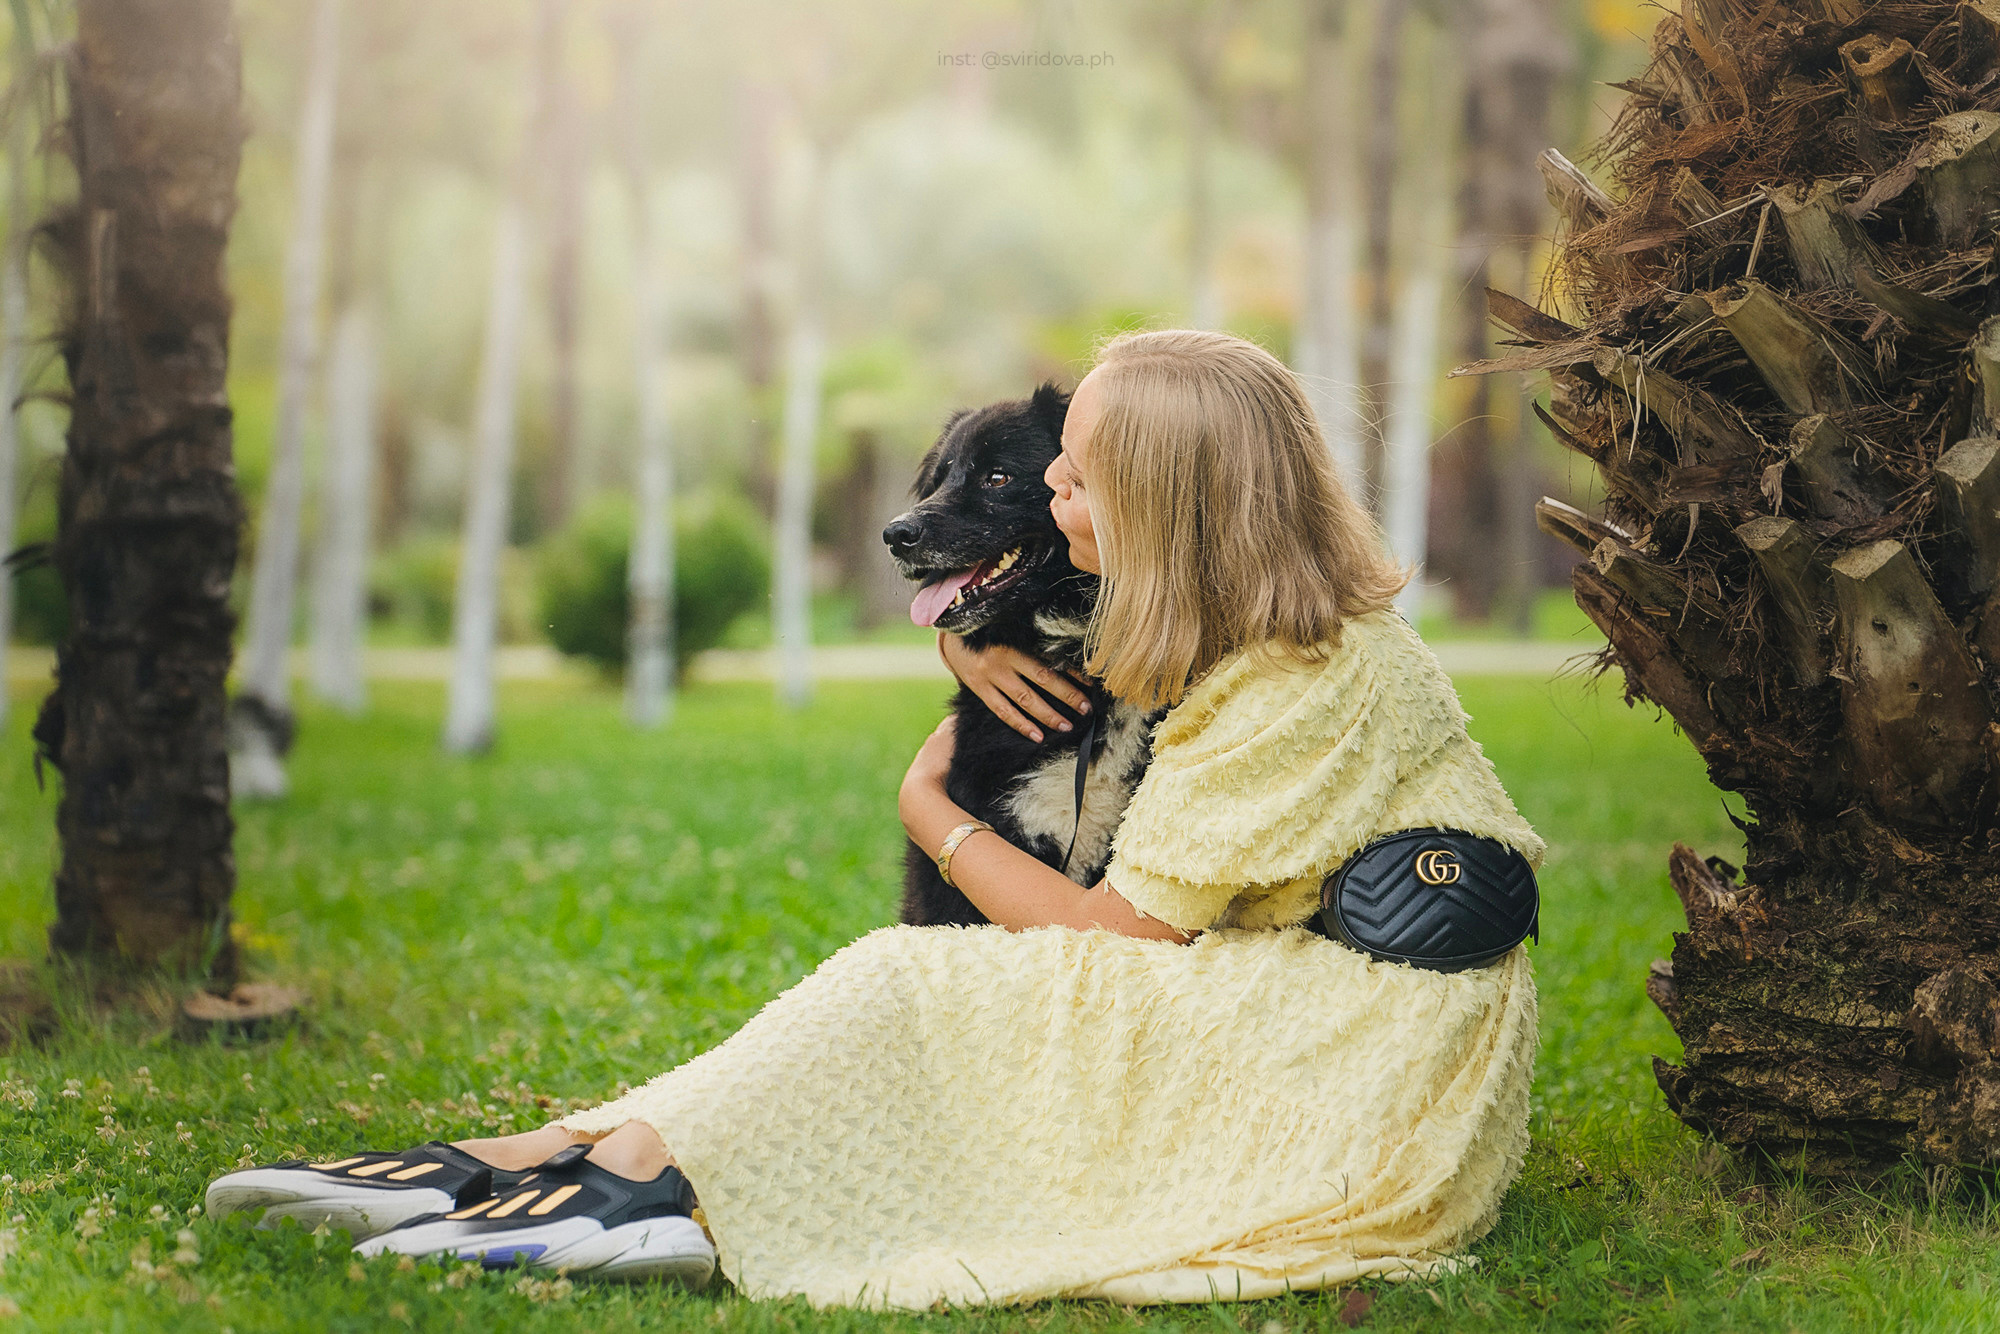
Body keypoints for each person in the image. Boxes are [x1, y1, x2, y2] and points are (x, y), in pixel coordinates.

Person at [204, 329, 1545, 1307]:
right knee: (938, 991)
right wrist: (963, 640)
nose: (1057, 503)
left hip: (1357, 1079)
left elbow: (1119, 940)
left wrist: (931, 809)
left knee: (919, 976)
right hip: (1295, 1001)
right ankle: (560, 1154)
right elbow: (1082, 645)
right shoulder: (1270, 619)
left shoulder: (1300, 674)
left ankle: (652, 1186)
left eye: (1080, 485)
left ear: (1175, 504)